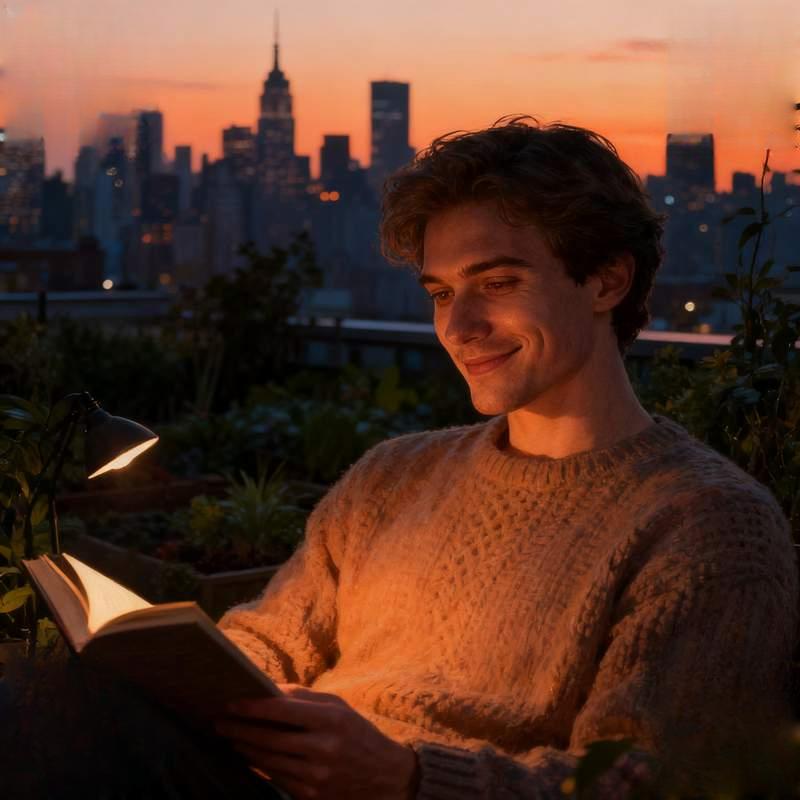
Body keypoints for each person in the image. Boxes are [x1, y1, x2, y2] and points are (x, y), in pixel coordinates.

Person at [215, 117, 798, 799]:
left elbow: (644, 785)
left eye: (496, 283)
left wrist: (405, 778)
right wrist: (192, 668)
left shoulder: (708, 526)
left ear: (607, 280)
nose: (459, 327)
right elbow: (271, 639)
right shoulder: (391, 476)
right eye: (441, 294)